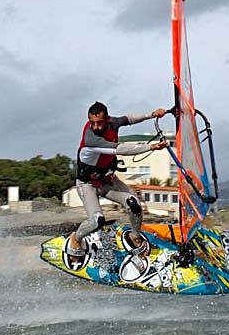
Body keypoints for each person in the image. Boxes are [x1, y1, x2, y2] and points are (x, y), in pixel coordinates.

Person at [66, 101, 169, 269]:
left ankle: (135, 236)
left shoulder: (112, 122)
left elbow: (128, 119)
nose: (96, 126)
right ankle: (75, 238)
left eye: (99, 122)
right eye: (92, 122)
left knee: (134, 205)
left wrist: (151, 114)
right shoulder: (91, 139)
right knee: (97, 220)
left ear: (106, 119)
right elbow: (121, 149)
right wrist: (151, 147)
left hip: (107, 181)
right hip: (88, 184)